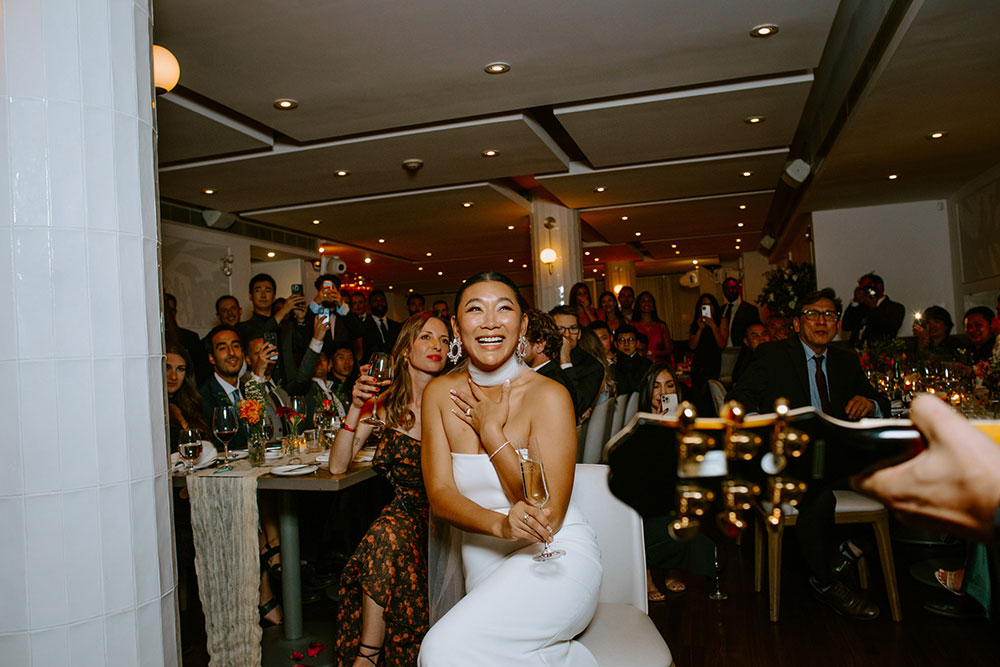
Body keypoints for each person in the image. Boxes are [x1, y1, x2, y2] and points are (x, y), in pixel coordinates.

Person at [419, 272, 602, 666]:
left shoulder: (549, 395)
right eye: (474, 310)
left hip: (555, 556)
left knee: (440, 651)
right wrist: (500, 526)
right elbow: (440, 495)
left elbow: (546, 510)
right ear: (456, 326)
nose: (489, 322)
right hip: (483, 562)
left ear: (521, 324)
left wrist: (491, 432)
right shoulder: (437, 394)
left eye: (504, 309)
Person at [728, 288, 889, 620]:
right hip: (791, 456)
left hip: (839, 455)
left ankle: (849, 551)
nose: (822, 321)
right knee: (818, 496)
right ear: (798, 323)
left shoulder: (846, 359)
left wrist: (869, 403)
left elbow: (878, 399)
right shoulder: (773, 355)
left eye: (829, 315)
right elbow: (739, 397)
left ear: (837, 325)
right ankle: (825, 583)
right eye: (813, 314)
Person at [331, 312, 452, 666]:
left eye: (444, 340)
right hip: (402, 517)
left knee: (386, 534)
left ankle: (367, 656)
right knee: (389, 533)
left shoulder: (453, 399)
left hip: (444, 516)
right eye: (426, 337)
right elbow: (338, 465)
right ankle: (370, 655)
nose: (437, 346)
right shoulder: (384, 404)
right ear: (404, 349)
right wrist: (356, 407)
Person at [637, 364, 716, 600]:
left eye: (669, 385)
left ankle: (675, 568)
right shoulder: (639, 425)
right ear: (647, 391)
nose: (662, 392)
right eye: (656, 387)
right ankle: (647, 576)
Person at [550, 305, 603, 419]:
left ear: (579, 334)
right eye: (560, 329)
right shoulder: (542, 358)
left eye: (572, 328)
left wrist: (565, 361)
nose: (567, 335)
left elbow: (578, 406)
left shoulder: (592, 366)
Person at [522, 309, 578, 411]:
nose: (514, 348)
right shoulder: (555, 374)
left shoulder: (547, 384)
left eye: (521, 342)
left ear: (539, 345)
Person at [236, 273, 305, 345]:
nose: (263, 295)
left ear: (274, 296)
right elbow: (257, 340)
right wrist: (283, 311)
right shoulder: (242, 329)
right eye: (258, 290)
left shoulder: (286, 326)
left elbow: (302, 348)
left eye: (267, 291)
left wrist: (300, 320)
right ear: (250, 296)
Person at [165, 340, 208, 452]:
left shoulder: (191, 403)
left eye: (180, 369)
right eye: (167, 368)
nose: (173, 376)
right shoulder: (152, 409)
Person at [841, 273, 905, 348]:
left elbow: (887, 329)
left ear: (879, 287)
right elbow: (846, 326)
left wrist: (873, 307)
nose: (866, 291)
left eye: (868, 287)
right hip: (855, 353)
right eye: (862, 288)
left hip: (878, 353)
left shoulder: (895, 308)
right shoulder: (861, 308)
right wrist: (855, 301)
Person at [688, 293, 727, 414]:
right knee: (698, 398)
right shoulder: (696, 323)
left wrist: (713, 326)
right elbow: (692, 346)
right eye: (704, 305)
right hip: (698, 364)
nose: (707, 307)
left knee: (711, 395)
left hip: (713, 363)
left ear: (714, 307)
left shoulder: (721, 320)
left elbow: (722, 344)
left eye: (709, 304)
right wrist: (700, 328)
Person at [632, 291, 672, 363]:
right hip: (639, 364)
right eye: (643, 301)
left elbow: (668, 350)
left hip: (659, 365)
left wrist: (654, 353)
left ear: (653, 305)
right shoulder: (632, 325)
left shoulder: (661, 326)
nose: (646, 303)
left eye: (649, 301)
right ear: (639, 305)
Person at [362, 289, 403, 362]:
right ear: (369, 305)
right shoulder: (363, 326)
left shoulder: (397, 326)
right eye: (375, 301)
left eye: (382, 300)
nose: (379, 303)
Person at [720, 277, 761, 348]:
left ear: (738, 289)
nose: (730, 290)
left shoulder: (750, 309)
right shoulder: (721, 310)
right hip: (723, 350)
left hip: (743, 350)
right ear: (723, 291)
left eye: (733, 288)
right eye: (727, 289)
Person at [613, 323, 651, 396]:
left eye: (630, 340)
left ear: (637, 343)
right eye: (621, 340)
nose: (626, 344)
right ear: (615, 344)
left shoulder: (646, 364)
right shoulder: (613, 364)